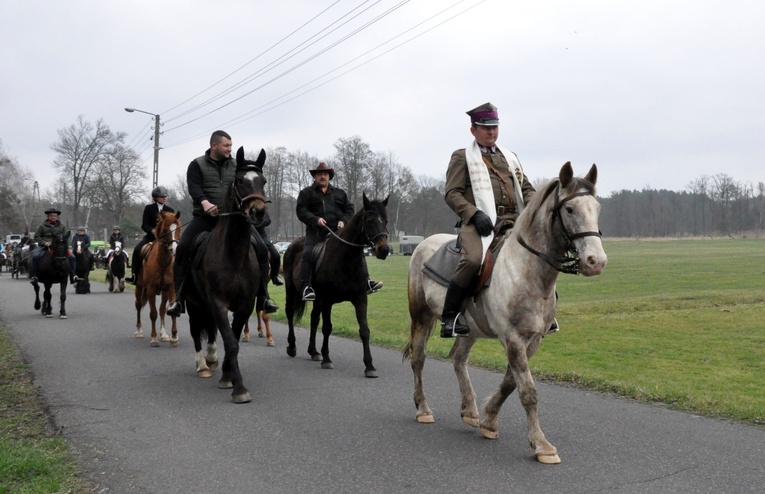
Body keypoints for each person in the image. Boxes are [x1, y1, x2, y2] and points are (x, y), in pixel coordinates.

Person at [441, 102, 537, 338]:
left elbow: (526, 188)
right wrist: (474, 214)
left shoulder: (510, 157)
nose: (491, 132)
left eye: (494, 127)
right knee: (473, 260)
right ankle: (450, 316)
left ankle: (545, 312)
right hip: (479, 223)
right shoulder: (462, 157)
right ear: (473, 130)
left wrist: (535, 208)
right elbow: (452, 193)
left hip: (514, 221)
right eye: (485, 127)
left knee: (541, 254)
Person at [167, 130, 277, 317]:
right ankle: (178, 299)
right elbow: (194, 187)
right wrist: (205, 203)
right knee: (183, 247)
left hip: (232, 220)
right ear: (214, 145)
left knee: (262, 248)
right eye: (226, 146)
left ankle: (264, 297)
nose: (229, 149)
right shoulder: (197, 165)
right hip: (204, 218)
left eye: (231, 146)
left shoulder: (236, 165)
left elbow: (246, 185)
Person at [295, 162, 383, 302]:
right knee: (308, 253)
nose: (322, 177)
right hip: (316, 233)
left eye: (325, 174)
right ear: (315, 177)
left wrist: (344, 220)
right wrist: (316, 220)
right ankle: (306, 287)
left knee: (357, 250)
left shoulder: (340, 193)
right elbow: (301, 211)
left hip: (338, 233)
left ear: (329, 176)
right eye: (320, 174)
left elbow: (349, 209)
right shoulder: (306, 193)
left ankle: (366, 282)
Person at [125, 186, 175, 284]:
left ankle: (177, 276)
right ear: (155, 197)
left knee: (177, 250)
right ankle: (134, 275)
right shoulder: (148, 208)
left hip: (165, 239)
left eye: (165, 196)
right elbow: (144, 225)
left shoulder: (170, 210)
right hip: (151, 237)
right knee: (137, 249)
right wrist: (152, 230)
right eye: (162, 196)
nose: (164, 198)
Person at [28, 207, 80, 285]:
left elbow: (65, 237)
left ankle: (73, 276)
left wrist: (63, 244)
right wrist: (44, 242)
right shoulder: (42, 226)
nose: (53, 217)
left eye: (55, 216)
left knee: (72, 257)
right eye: (51, 215)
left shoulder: (62, 226)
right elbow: (37, 236)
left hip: (59, 248)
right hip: (45, 247)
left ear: (57, 216)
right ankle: (34, 276)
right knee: (35, 256)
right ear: (48, 216)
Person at [253, 208, 285, 287]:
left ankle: (275, 277)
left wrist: (257, 224)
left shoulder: (260, 207)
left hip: (261, 236)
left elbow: (267, 220)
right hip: (247, 234)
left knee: (276, 255)